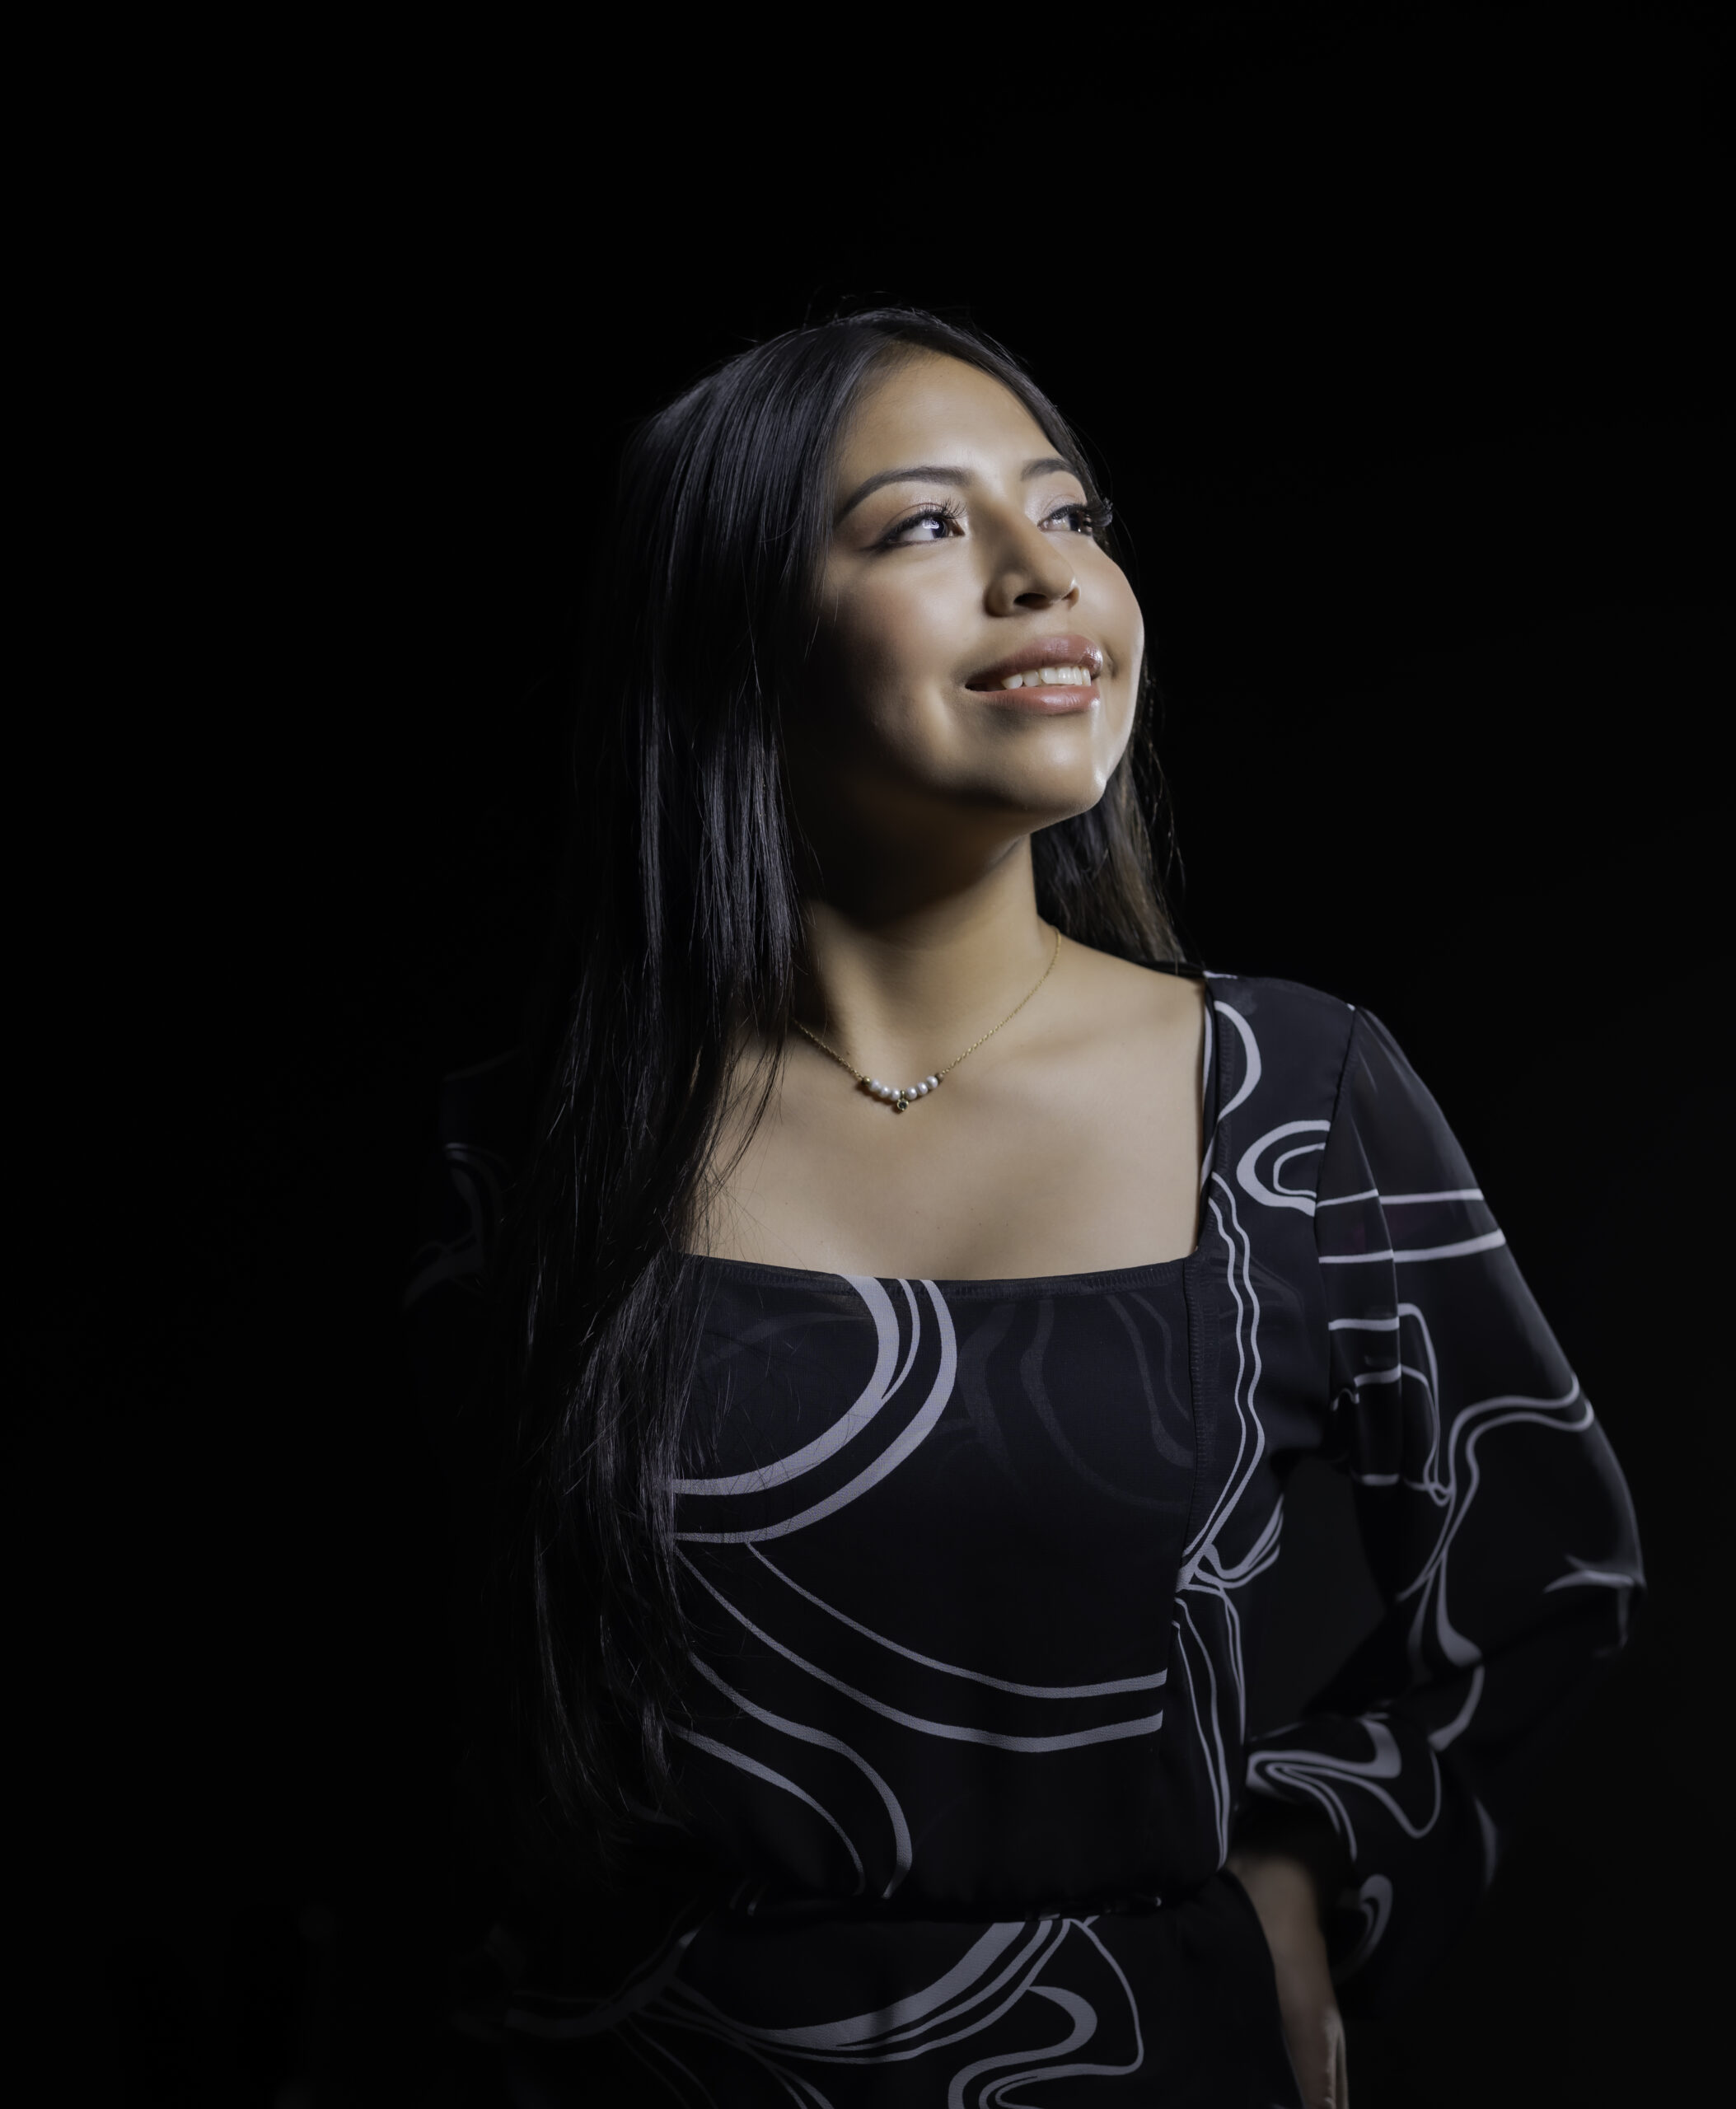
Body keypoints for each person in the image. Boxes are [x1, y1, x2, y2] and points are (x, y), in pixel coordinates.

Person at [407, 307, 1644, 2107]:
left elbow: (1550, 1570)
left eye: (1069, 515)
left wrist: (1312, 1855)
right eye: (923, 523)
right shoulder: (515, 1158)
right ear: (729, 629)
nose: (1041, 573)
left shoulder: (1289, 1100)